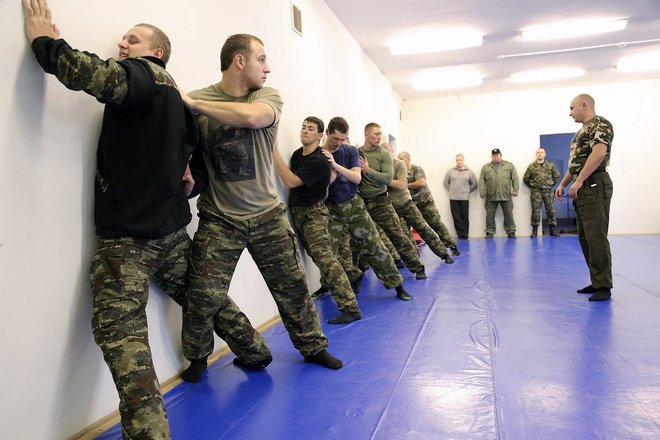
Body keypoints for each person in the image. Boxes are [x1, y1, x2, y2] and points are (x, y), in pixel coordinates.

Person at [23, 1, 203, 436]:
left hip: (129, 241)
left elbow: (96, 75)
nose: (123, 43)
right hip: (168, 230)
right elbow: (191, 158)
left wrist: (45, 43)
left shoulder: (145, 74)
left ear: (156, 53)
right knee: (202, 296)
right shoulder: (176, 98)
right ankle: (254, 349)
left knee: (125, 343)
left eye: (133, 39)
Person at [179, 34, 343, 383]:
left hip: (267, 215)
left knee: (293, 288)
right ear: (240, 61)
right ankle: (197, 357)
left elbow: (253, 118)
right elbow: (182, 144)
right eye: (261, 59)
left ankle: (313, 347)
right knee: (202, 295)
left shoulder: (267, 97)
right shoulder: (198, 99)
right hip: (220, 217)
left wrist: (194, 106)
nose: (267, 68)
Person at [273, 117, 361, 324]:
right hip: (300, 213)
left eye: (311, 129)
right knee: (321, 258)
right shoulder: (298, 155)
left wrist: (274, 151)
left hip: (313, 215)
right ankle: (351, 279)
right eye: (303, 127)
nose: (305, 131)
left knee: (326, 260)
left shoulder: (319, 160)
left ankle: (351, 307)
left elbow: (290, 181)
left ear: (320, 135)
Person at [322, 117, 412, 301]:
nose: (338, 143)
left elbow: (357, 178)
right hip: (332, 209)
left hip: (354, 205)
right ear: (327, 133)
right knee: (329, 252)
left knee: (375, 246)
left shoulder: (350, 151)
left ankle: (397, 285)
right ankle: (343, 279)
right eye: (335, 138)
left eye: (342, 139)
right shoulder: (319, 154)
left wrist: (335, 165)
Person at [555, 94, 614, 302]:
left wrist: (579, 181)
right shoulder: (580, 133)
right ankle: (597, 281)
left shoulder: (600, 124)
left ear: (584, 105)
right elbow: (576, 165)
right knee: (585, 237)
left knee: (596, 236)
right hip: (584, 185)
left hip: (595, 183)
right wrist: (563, 184)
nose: (570, 113)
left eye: (572, 108)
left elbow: (599, 154)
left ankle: (604, 286)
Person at [359, 124, 427, 278]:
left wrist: (368, 170)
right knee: (362, 239)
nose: (379, 137)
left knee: (398, 235)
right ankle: (357, 275)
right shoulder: (358, 153)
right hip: (363, 203)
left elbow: (387, 178)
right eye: (376, 134)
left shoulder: (384, 155)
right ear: (366, 134)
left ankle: (417, 267)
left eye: (380, 134)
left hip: (381, 202)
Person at [384, 145, 455, 263]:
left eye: (388, 151)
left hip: (418, 202)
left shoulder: (409, 167)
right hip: (397, 205)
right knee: (404, 232)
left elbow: (419, 183)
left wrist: (402, 184)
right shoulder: (385, 168)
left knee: (430, 226)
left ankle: (448, 249)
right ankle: (414, 255)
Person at [398, 151, 461, 254]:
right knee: (404, 227)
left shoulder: (416, 168)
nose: (399, 161)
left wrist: (405, 185)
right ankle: (413, 252)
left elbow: (421, 183)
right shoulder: (400, 172)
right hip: (410, 204)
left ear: (408, 159)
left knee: (436, 223)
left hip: (425, 202)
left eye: (401, 159)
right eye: (398, 159)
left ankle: (452, 246)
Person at [479, 148, 519, 238]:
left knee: (508, 214)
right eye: (494, 155)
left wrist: (515, 190)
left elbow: (515, 178)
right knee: (489, 215)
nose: (496, 156)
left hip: (506, 194)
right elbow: (481, 180)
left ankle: (511, 231)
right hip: (491, 195)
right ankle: (489, 231)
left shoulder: (509, 166)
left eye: (497, 155)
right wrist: (482, 192)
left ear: (501, 155)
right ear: (491, 156)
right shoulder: (486, 167)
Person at [523, 147, 560, 237]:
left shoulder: (550, 165)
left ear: (545, 154)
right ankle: (534, 231)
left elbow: (556, 176)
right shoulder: (531, 166)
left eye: (541, 152)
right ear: (536, 154)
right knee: (535, 211)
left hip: (548, 191)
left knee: (551, 210)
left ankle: (552, 230)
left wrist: (550, 184)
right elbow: (526, 178)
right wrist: (533, 185)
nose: (540, 154)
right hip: (536, 192)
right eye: (538, 152)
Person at [442, 154, 478, 239]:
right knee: (456, 217)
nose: (458, 162)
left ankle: (465, 234)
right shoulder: (450, 171)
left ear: (463, 160)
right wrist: (451, 190)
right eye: (457, 160)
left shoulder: (469, 171)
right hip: (453, 198)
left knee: (464, 217)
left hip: (464, 198)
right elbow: (445, 182)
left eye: (460, 160)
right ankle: (461, 235)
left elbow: (474, 184)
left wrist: (467, 191)